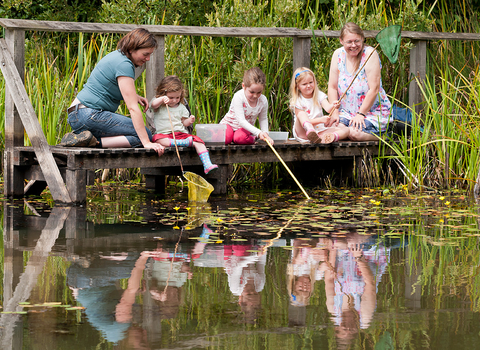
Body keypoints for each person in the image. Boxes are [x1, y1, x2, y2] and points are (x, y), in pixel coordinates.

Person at [60, 28, 165, 155]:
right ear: (132, 49)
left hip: (78, 114)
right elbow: (132, 108)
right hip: (88, 114)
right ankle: (94, 142)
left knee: (141, 135)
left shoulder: (117, 56)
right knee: (145, 136)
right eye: (145, 54)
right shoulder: (124, 64)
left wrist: (135, 96)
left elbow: (107, 86)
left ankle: (85, 140)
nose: (148, 59)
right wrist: (147, 143)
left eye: (150, 55)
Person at [327, 22, 392, 141]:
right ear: (341, 41)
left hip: (371, 113)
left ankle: (384, 135)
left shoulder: (369, 54)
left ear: (362, 39)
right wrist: (334, 111)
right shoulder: (338, 54)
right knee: (335, 128)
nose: (353, 45)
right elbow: (332, 87)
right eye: (349, 42)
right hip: (346, 112)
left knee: (354, 133)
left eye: (357, 41)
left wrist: (361, 114)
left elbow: (374, 89)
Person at [149, 75, 218, 174]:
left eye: (177, 97)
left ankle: (207, 164)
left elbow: (183, 122)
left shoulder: (181, 107)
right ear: (163, 93)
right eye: (171, 97)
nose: (174, 100)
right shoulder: (160, 106)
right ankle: (182, 143)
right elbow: (153, 104)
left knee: (199, 142)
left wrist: (189, 121)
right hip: (164, 134)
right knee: (157, 139)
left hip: (180, 134)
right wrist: (162, 99)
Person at [289, 67, 349, 144]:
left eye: (310, 82)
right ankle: (310, 130)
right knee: (301, 114)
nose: (308, 86)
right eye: (304, 84)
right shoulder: (298, 100)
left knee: (346, 130)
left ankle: (329, 137)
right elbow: (303, 120)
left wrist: (333, 106)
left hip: (319, 130)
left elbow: (328, 108)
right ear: (297, 86)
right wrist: (320, 120)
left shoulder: (319, 95)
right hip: (303, 132)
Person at [220, 67, 274, 145]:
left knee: (240, 138)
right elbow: (241, 121)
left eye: (259, 92)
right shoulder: (238, 96)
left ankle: (251, 138)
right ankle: (232, 137)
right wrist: (258, 133)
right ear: (243, 86)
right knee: (225, 138)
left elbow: (263, 119)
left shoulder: (263, 100)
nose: (255, 96)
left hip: (243, 130)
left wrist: (265, 133)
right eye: (252, 92)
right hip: (229, 125)